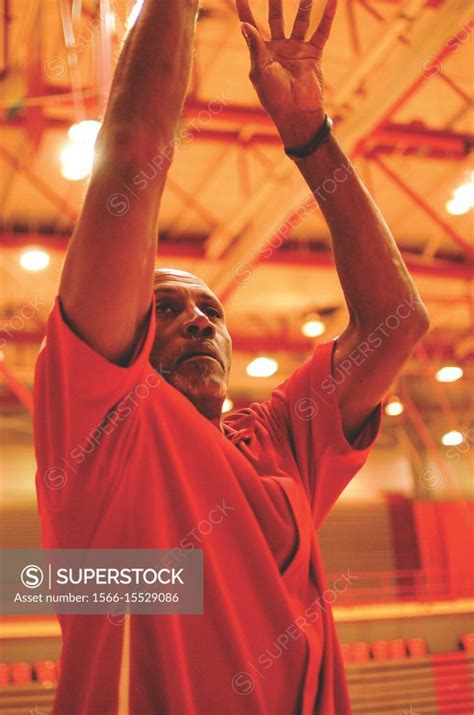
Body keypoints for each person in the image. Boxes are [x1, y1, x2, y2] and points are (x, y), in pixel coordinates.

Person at [33, 1, 429, 713]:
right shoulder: (106, 425)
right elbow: (129, 155)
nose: (197, 321)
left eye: (212, 311)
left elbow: (397, 322)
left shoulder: (273, 440)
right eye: (168, 307)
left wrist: (311, 136)